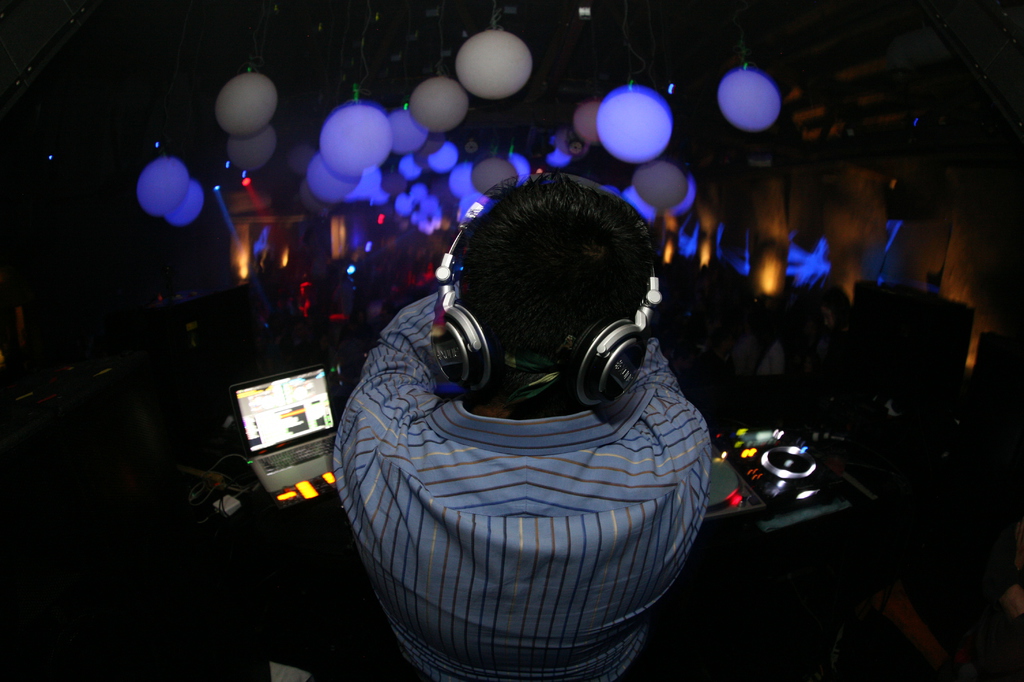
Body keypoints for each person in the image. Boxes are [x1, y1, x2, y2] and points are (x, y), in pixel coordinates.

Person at [332, 173, 711, 681]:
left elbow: (398, 348)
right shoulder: (681, 448)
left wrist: (457, 297)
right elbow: (648, 363)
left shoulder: (377, 437)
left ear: (465, 326)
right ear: (614, 345)